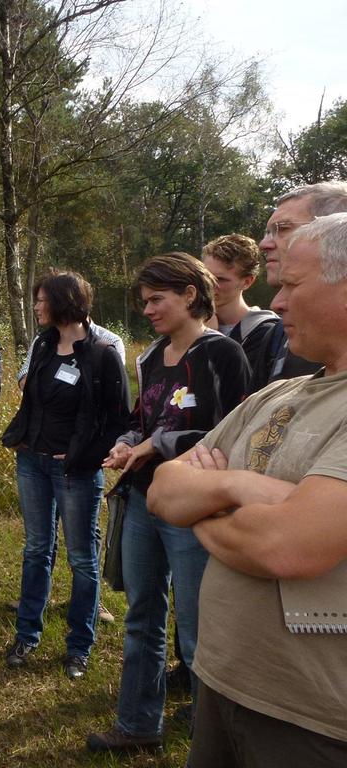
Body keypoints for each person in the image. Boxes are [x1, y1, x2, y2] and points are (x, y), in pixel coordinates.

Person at [150, 213, 347, 765]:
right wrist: (240, 487)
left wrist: (206, 501)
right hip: (223, 685)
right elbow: (165, 490)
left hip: (310, 719)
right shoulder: (279, 393)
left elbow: (285, 545)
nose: (277, 301)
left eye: (291, 284)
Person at [86, 253, 250, 754]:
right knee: (142, 616)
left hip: (195, 507)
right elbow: (144, 416)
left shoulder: (222, 355)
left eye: (157, 300)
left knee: (200, 630)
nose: (149, 310)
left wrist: (156, 444)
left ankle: (212, 744)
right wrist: (127, 442)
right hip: (142, 501)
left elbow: (231, 434)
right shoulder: (153, 356)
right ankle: (138, 726)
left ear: (190, 295)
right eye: (145, 302)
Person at [1, 270, 130, 679]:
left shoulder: (103, 353)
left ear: (63, 302)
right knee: (37, 549)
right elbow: (31, 398)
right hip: (32, 463)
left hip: (75, 471)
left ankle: (79, 646)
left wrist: (82, 455)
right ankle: (26, 634)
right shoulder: (42, 345)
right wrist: (24, 437)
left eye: (41, 300)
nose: (36, 306)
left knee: (81, 558)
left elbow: (117, 421)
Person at [255, 182, 347, 386]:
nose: (264, 244)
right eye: (268, 232)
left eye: (283, 229)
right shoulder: (278, 334)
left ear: (332, 228)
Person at [201, 233, 279, 391]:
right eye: (205, 277)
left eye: (220, 279)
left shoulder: (265, 333)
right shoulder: (188, 323)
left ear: (247, 282)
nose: (210, 285)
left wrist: (211, 337)